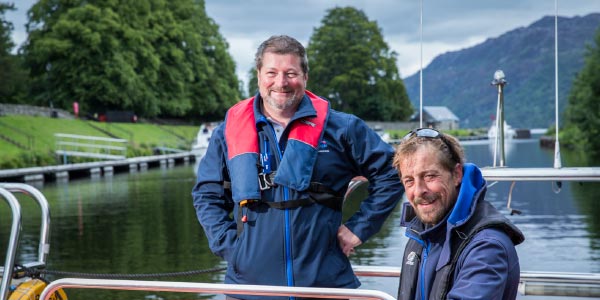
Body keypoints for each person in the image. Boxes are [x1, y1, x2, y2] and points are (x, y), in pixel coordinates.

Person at [191, 35, 404, 300]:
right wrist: (231, 247)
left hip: (326, 285)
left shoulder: (343, 128)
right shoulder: (227, 134)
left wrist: (358, 229)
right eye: (272, 73)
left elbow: (392, 174)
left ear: (305, 77)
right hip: (249, 287)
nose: (281, 82)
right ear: (259, 76)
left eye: (290, 73)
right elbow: (207, 195)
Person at [392, 128, 525, 300]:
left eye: (430, 176)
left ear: (456, 174)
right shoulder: (421, 234)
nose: (418, 191)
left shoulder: (487, 246)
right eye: (409, 180)